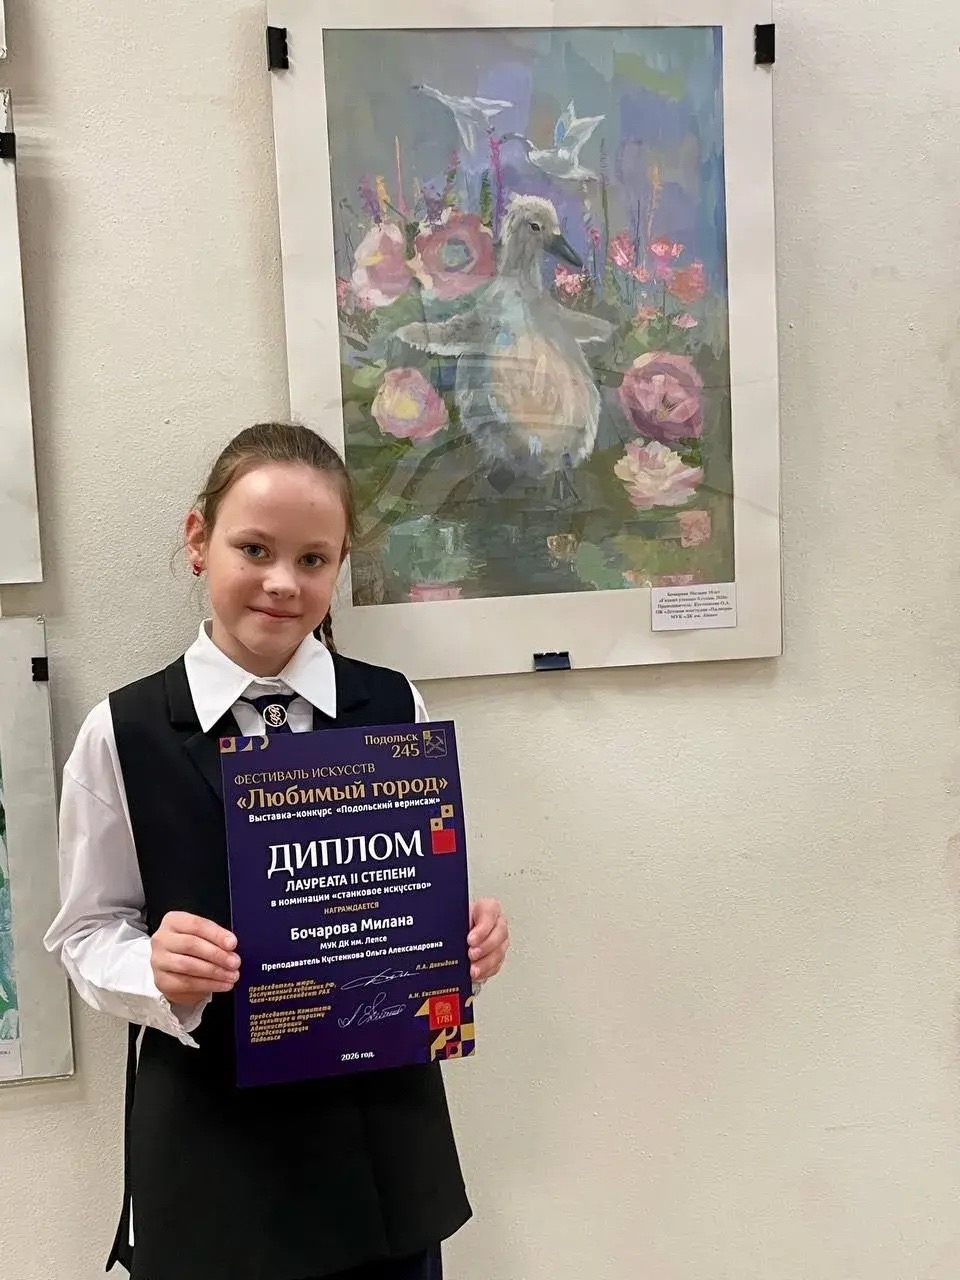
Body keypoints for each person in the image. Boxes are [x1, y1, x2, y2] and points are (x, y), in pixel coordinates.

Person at [44, 422, 510, 1280]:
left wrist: (460, 945)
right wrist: (155, 968)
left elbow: (409, 897)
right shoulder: (124, 731)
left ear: (340, 567)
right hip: (211, 1153)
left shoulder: (391, 706)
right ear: (198, 540)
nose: (282, 582)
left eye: (313, 559)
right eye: (254, 549)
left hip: (380, 1151)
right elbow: (84, 932)